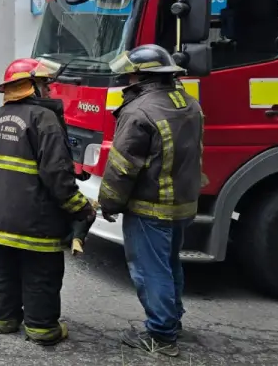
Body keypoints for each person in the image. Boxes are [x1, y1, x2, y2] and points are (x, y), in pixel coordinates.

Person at [0, 58, 95, 347]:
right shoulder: (45, 120)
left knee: (2, 269)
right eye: (44, 84)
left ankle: (2, 319)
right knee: (40, 272)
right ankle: (42, 328)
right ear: (30, 87)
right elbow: (57, 175)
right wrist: (80, 207)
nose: (50, 90)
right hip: (35, 220)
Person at [99, 45, 203, 358]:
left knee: (150, 270)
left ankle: (160, 335)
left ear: (143, 76)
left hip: (150, 207)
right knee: (170, 264)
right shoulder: (188, 102)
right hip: (182, 204)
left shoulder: (139, 112)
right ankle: (173, 321)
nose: (126, 79)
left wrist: (109, 204)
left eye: (129, 74)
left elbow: (121, 168)